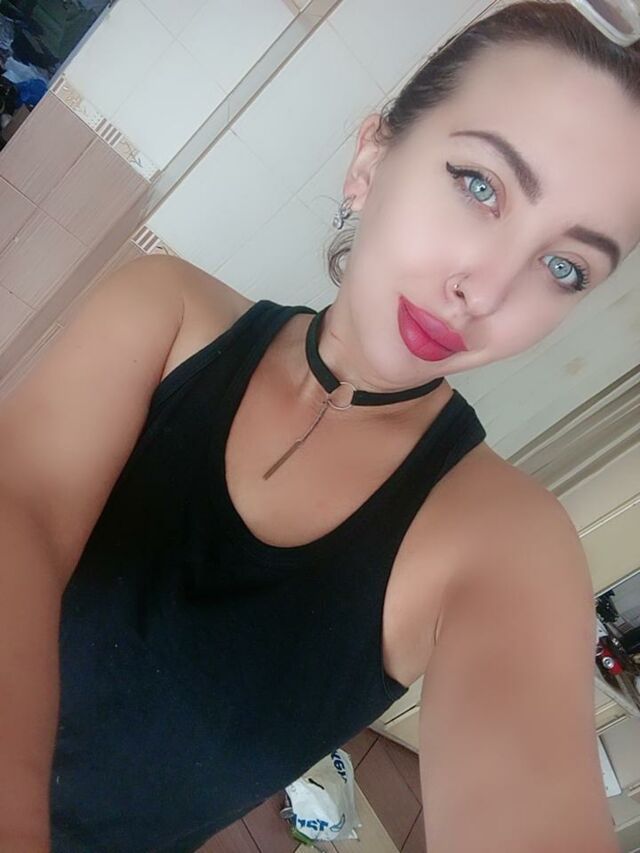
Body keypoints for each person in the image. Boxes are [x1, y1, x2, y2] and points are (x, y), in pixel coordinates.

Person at [0, 1, 637, 850]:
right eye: (480, 185)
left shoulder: (506, 545)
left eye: (564, 266)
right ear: (372, 157)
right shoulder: (164, 311)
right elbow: (22, 510)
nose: (484, 291)